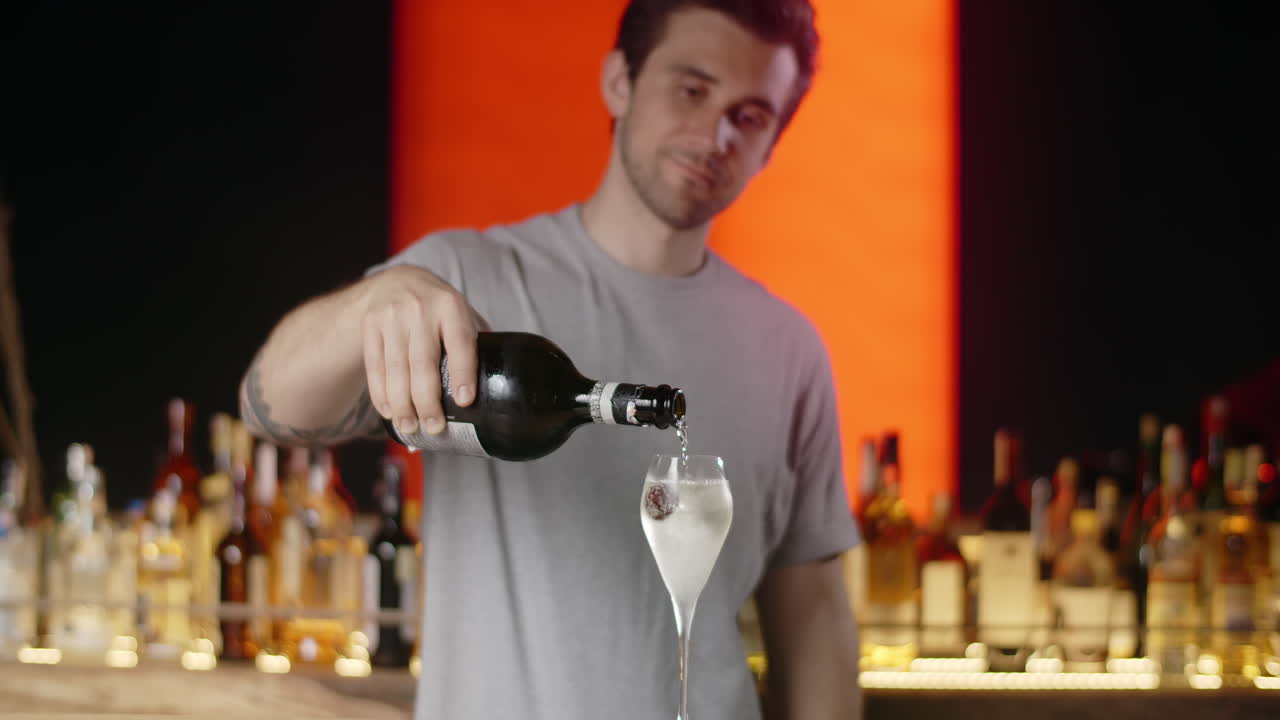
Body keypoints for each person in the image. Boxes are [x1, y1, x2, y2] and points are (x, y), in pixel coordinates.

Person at [238, 1, 862, 718]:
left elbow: (813, 614)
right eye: (692, 89)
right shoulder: (459, 281)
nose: (715, 134)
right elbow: (269, 406)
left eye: (749, 116)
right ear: (619, 82)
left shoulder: (789, 348)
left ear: (772, 143)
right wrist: (366, 308)